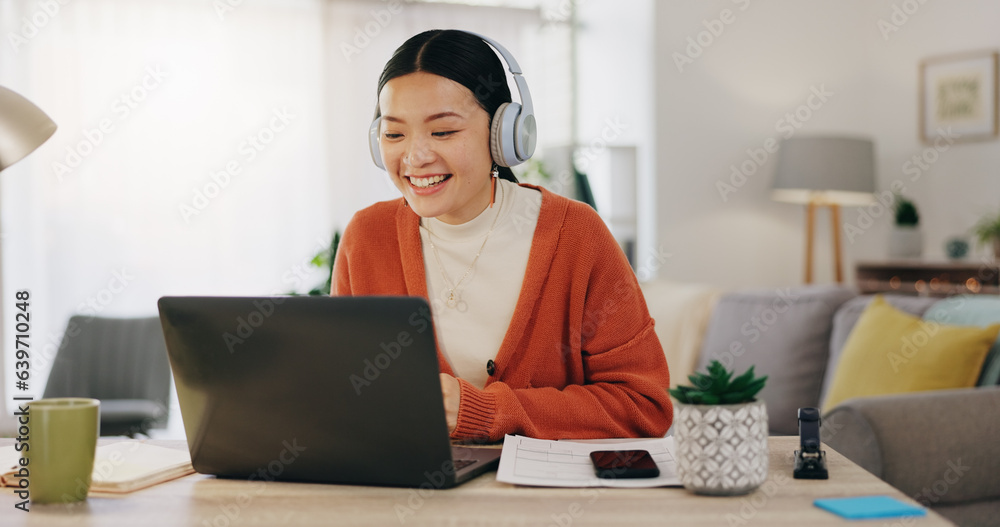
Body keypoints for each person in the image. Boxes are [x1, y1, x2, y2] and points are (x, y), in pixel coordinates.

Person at [332, 29, 671, 442]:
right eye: (394, 133)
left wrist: (489, 412)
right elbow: (346, 397)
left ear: (504, 135)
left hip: (542, 501)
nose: (415, 157)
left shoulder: (577, 235)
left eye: (442, 132)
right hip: (409, 493)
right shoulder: (367, 237)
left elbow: (644, 406)